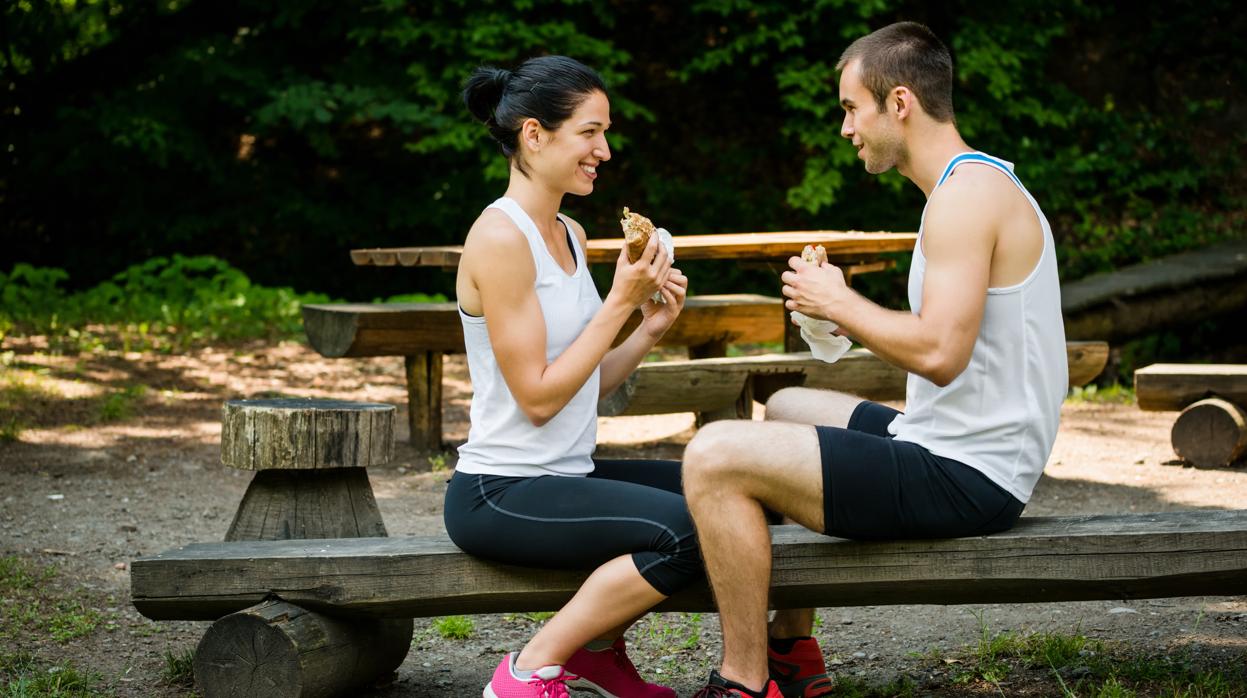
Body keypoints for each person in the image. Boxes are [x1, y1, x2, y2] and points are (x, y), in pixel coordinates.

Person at [683, 22, 1068, 698]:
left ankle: (743, 681)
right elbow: (945, 348)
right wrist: (832, 314)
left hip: (967, 476)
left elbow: (941, 354)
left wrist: (841, 303)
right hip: (955, 446)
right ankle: (791, 648)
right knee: (785, 405)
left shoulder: (964, 199)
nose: (843, 128)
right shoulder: (967, 186)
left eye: (848, 107)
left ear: (898, 103)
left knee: (713, 455)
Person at [444, 55, 697, 698]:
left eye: (604, 133)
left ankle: (600, 651)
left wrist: (648, 329)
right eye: (590, 132)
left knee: (727, 491)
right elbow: (535, 397)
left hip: (566, 472)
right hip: (502, 490)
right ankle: (528, 670)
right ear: (535, 135)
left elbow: (587, 383)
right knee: (689, 534)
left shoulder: (571, 233)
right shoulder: (499, 239)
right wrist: (618, 303)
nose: (604, 151)